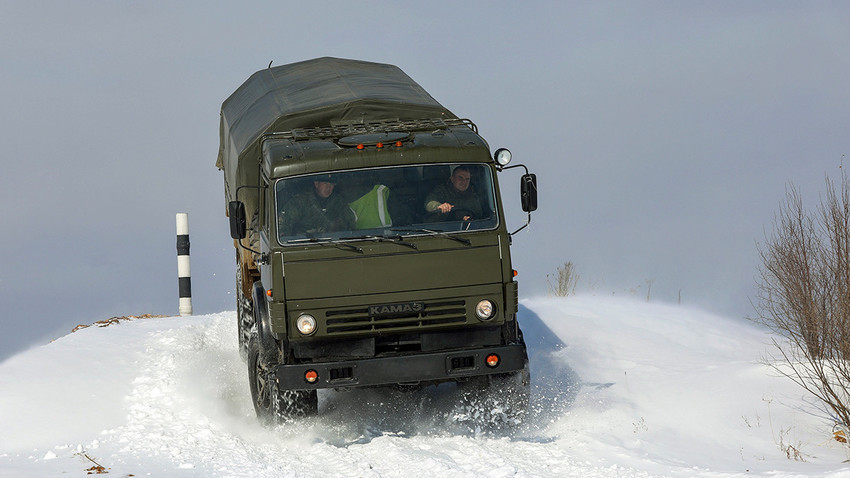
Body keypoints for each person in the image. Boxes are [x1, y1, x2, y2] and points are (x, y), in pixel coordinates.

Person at [278, 175, 355, 237]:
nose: (328, 188)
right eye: (325, 183)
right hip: (303, 244)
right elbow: (283, 223)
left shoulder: (338, 202)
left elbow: (350, 222)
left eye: (332, 184)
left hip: (332, 244)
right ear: (316, 184)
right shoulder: (300, 201)